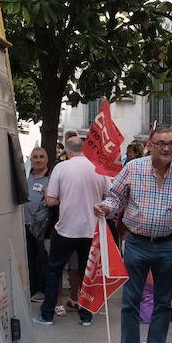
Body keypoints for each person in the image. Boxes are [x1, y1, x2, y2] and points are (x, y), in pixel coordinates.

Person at [96, 126, 172, 343]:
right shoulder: (133, 168)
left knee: (163, 302)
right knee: (131, 300)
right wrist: (106, 207)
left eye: (170, 143)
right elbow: (115, 196)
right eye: (160, 143)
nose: (165, 148)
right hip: (137, 243)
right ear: (150, 144)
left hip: (168, 245)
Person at [35, 135, 106, 325]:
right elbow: (108, 196)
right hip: (91, 229)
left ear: (67, 150)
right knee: (87, 272)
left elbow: (51, 200)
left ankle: (47, 314)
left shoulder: (61, 167)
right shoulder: (98, 168)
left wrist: (62, 198)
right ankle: (86, 315)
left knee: (54, 269)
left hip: (66, 228)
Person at [24, 147, 52, 301]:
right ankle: (32, 289)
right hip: (26, 225)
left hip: (43, 228)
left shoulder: (51, 179)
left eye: (42, 156)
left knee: (42, 259)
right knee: (29, 258)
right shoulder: (26, 177)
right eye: (35, 157)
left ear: (47, 159)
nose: (38, 159)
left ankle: (41, 290)